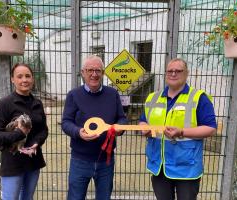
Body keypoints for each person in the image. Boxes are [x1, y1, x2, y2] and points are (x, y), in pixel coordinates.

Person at [139, 58, 217, 200]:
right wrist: (144, 128)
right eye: (170, 71)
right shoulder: (152, 98)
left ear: (186, 73)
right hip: (160, 166)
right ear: (165, 74)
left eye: (178, 71)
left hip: (186, 167)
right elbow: (143, 121)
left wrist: (181, 132)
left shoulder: (198, 98)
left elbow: (210, 128)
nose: (173, 74)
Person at [62, 55, 128, 200]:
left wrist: (120, 128)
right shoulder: (74, 95)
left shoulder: (112, 94)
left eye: (98, 70)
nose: (94, 74)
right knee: (75, 197)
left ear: (103, 73)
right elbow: (66, 122)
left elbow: (121, 118)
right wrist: (78, 132)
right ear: (83, 72)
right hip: (80, 160)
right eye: (90, 70)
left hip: (106, 160)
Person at [0, 63, 48, 200]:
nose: (24, 80)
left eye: (28, 76)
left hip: (33, 162)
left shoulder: (37, 103)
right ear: (12, 79)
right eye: (19, 76)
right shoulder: (5, 103)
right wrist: (19, 134)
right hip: (13, 164)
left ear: (32, 79)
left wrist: (36, 143)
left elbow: (43, 130)